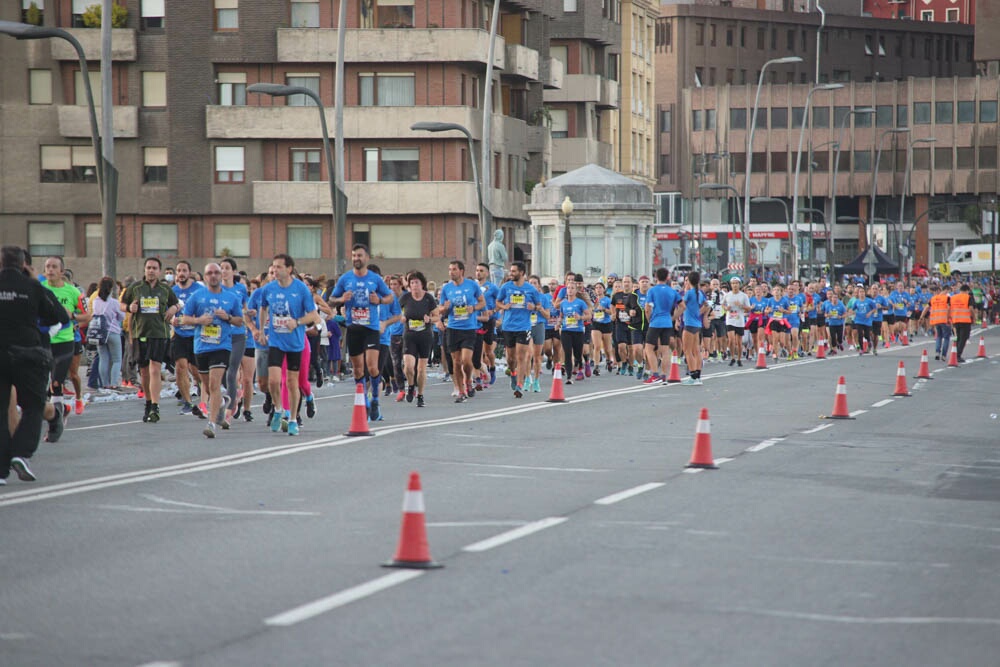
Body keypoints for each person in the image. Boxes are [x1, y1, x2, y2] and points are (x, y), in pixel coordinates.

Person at [0, 246, 70, 485]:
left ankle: (1, 469)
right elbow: (60, 315)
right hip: (27, 354)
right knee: (33, 406)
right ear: (24, 265)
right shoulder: (32, 286)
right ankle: (20, 453)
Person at [328, 245, 394, 421]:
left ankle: (375, 401)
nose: (356, 258)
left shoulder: (375, 279)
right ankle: (363, 400)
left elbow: (390, 297)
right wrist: (341, 299)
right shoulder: (345, 279)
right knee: (358, 370)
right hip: (354, 328)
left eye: (360, 255)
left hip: (371, 329)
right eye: (354, 255)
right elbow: (331, 301)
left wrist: (379, 300)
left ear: (367, 258)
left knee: (372, 366)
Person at [257, 254, 320, 435]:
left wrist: (298, 322)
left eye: (279, 267)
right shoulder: (268, 289)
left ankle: (292, 419)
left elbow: (314, 316)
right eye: (273, 267)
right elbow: (263, 309)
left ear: (289, 269)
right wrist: (261, 331)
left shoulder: (300, 289)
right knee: (274, 381)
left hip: (295, 343)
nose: (275, 270)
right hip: (276, 341)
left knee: (292, 383)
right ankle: (278, 409)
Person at [180, 263, 244, 439]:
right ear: (205, 277)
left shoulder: (231, 298)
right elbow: (184, 318)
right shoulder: (197, 296)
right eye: (210, 273)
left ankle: (211, 423)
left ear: (221, 276)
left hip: (222, 346)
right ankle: (222, 402)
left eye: (217, 272)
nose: (214, 276)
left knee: (215, 385)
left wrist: (228, 317)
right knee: (207, 386)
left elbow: (240, 321)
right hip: (201, 346)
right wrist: (199, 320)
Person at [120, 257, 179, 424]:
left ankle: (155, 405)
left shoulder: (165, 289)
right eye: (148, 268)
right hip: (140, 333)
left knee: (155, 369)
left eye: (154, 268)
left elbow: (177, 304)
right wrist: (129, 308)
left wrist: (173, 309)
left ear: (159, 271)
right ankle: (148, 401)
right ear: (144, 270)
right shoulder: (136, 287)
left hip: (159, 333)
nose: (151, 270)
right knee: (144, 372)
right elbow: (122, 304)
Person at [42, 256, 92, 428]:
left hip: (65, 341)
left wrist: (73, 316)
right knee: (41, 382)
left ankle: (56, 422)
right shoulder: (39, 289)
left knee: (57, 381)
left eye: (54, 267)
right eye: (47, 266)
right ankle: (61, 408)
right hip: (43, 341)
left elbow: (87, 315)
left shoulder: (73, 292)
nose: (50, 270)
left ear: (61, 271)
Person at [438, 259, 487, 403]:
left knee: (466, 361)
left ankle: (468, 381)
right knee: (456, 362)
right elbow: (439, 308)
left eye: (454, 269)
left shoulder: (472, 285)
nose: (451, 272)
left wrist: (474, 308)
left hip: (469, 328)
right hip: (453, 328)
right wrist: (444, 308)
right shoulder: (447, 288)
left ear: (461, 271)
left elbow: (482, 302)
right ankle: (460, 391)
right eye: (449, 269)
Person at [496, 261, 542, 397]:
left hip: (523, 327)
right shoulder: (506, 287)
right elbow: (498, 302)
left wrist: (533, 308)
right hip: (508, 326)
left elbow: (539, 306)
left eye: (514, 271)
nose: (511, 273)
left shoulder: (531, 289)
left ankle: (520, 385)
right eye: (511, 271)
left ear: (521, 273)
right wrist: (504, 307)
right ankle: (513, 373)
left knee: (521, 357)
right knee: (511, 359)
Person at [170, 261, 204, 415]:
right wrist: (172, 320)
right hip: (179, 335)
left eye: (184, 270)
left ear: (190, 272)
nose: (181, 273)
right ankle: (188, 402)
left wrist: (196, 319)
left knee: (197, 372)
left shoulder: (199, 289)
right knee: (180, 367)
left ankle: (205, 396)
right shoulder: (172, 291)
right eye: (179, 271)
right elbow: (166, 313)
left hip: (197, 335)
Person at [399, 271, 437, 407]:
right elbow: (397, 312)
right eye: (412, 283)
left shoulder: (428, 298)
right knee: (409, 367)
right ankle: (410, 385)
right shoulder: (405, 298)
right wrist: (401, 317)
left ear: (422, 284)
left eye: (417, 283)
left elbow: (437, 316)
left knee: (421, 369)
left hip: (425, 337)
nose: (414, 285)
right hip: (409, 336)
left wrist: (430, 319)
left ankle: (420, 395)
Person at [642, 267, 680, 384]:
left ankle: (654, 374)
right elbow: (682, 305)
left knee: (649, 348)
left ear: (656, 277)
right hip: (667, 322)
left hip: (655, 322)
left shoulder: (652, 290)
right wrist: (673, 317)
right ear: (667, 277)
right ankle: (664, 375)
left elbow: (647, 308)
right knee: (665, 350)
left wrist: (649, 320)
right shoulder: (672, 291)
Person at [93, 276, 125, 390]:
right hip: (113, 332)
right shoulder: (114, 302)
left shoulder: (95, 302)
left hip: (100, 333)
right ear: (111, 288)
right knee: (117, 359)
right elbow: (122, 316)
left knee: (103, 358)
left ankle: (105, 383)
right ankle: (114, 383)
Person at [678, 271, 710, 385]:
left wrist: (676, 316)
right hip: (697, 324)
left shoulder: (689, 293)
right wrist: (700, 313)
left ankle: (692, 375)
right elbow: (707, 305)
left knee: (687, 350)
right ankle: (698, 376)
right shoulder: (700, 293)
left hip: (689, 324)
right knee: (696, 350)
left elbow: (681, 304)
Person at [723, 276, 751, 367]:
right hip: (730, 319)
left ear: (739, 284)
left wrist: (741, 305)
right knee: (731, 340)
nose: (735, 285)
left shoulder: (744, 295)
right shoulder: (727, 295)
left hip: (739, 320)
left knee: (739, 342)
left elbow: (749, 308)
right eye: (733, 283)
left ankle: (739, 359)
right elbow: (723, 304)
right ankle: (732, 358)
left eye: (736, 283)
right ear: (731, 285)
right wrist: (726, 308)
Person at [949, 283, 974, 362]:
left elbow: (949, 308)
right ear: (967, 291)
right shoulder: (968, 297)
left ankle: (955, 353)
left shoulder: (953, 297)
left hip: (955, 320)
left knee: (959, 338)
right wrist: (973, 316)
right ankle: (958, 355)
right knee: (964, 338)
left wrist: (949, 318)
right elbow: (970, 309)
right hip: (965, 320)